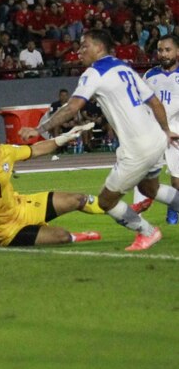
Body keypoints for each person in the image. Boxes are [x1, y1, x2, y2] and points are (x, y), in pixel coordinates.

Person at [22, 29, 179, 251]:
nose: (79, 51)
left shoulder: (94, 73)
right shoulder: (125, 67)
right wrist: (165, 131)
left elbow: (73, 106)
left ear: (99, 47)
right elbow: (155, 102)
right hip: (156, 138)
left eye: (84, 45)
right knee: (149, 189)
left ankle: (148, 232)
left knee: (106, 201)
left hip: (138, 148)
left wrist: (40, 128)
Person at [0, 123, 103, 252]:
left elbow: (36, 149)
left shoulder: (6, 152)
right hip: (5, 231)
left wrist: (64, 138)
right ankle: (79, 236)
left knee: (78, 199)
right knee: (63, 236)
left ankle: (120, 211)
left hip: (22, 207)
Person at [132, 35, 179, 224]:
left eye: (168, 50)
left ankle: (173, 207)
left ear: (177, 52)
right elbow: (139, 102)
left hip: (176, 132)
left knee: (176, 181)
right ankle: (136, 219)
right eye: (160, 50)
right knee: (142, 173)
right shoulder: (150, 75)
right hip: (153, 134)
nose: (163, 54)